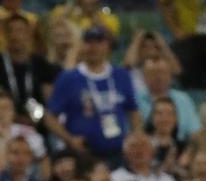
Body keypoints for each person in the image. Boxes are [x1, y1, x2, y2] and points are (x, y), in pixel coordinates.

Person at [44, 25, 140, 165]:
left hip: (118, 152)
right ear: (82, 45)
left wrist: (134, 138)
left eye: (99, 42)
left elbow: (134, 112)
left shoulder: (120, 75)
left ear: (108, 45)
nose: (93, 47)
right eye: (89, 42)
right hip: (84, 154)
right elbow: (50, 118)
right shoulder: (69, 78)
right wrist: (69, 139)